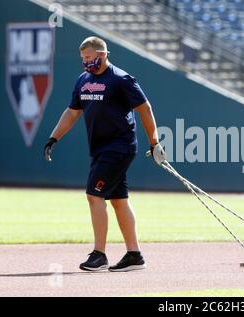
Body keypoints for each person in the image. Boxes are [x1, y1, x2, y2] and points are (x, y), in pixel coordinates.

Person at [43, 36, 166, 272]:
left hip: (119, 147)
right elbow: (72, 112)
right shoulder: (83, 80)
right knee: (119, 200)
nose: (85, 62)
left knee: (94, 195)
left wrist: (154, 142)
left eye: (88, 58)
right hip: (99, 149)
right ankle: (134, 255)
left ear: (102, 54)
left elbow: (145, 108)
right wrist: (54, 137)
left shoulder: (121, 79)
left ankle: (99, 254)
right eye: (83, 59)